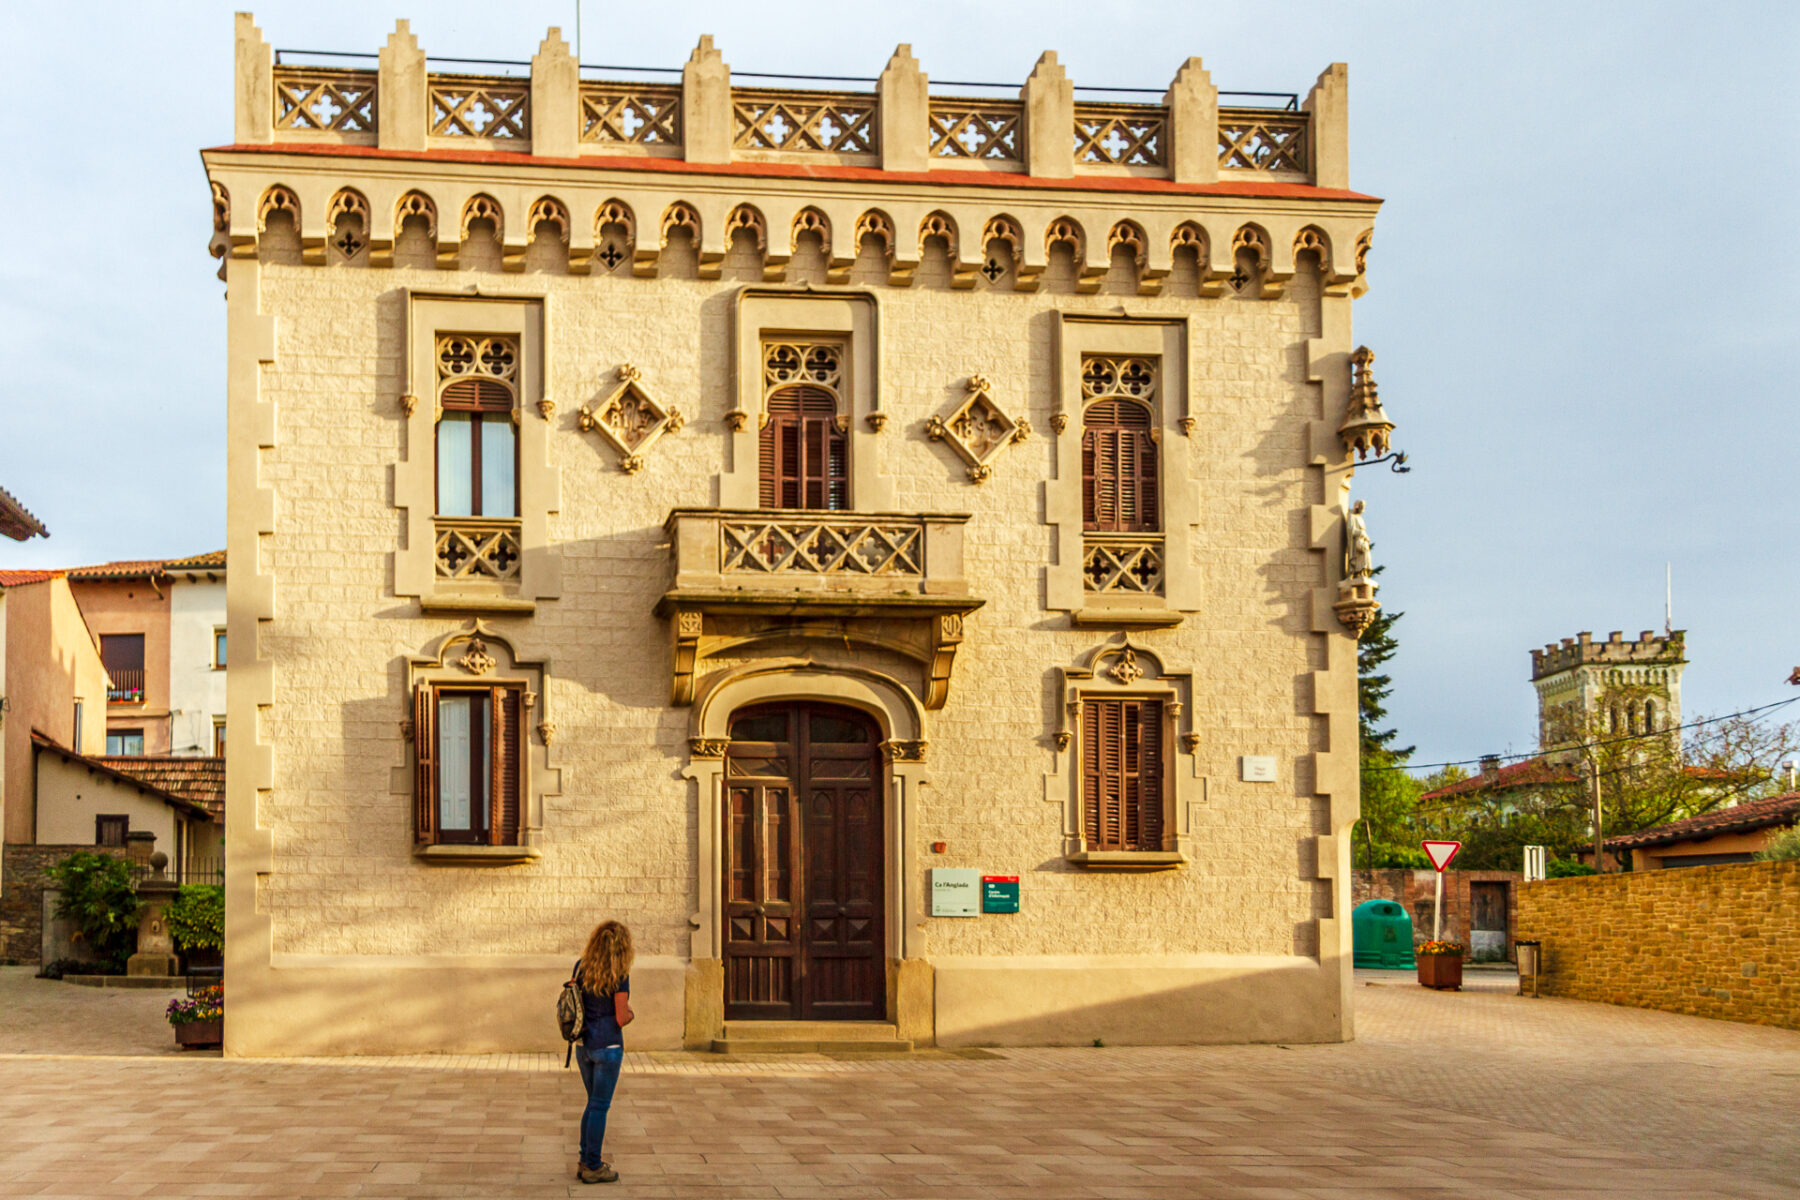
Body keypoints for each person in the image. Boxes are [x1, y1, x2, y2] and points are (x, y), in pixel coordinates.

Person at [571, 920, 634, 1184]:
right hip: (608, 1047)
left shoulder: (581, 966)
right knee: (599, 1106)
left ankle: (585, 1160)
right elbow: (621, 1017)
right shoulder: (619, 973)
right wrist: (631, 1014)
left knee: (592, 1104)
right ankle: (594, 1166)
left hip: (584, 1046)